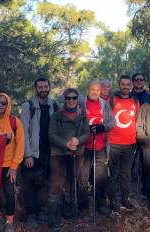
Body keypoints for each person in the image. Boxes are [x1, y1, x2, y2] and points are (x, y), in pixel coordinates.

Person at [47, 88, 90, 230]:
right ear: (64, 99)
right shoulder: (57, 116)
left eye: (74, 98)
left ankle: (69, 213)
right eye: (68, 98)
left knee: (71, 184)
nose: (71, 100)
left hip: (77, 154)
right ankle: (54, 220)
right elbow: (51, 135)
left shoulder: (83, 116)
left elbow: (87, 133)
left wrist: (78, 140)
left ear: (78, 99)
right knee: (56, 186)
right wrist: (66, 144)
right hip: (58, 155)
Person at [20, 77, 58, 227]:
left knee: (44, 184)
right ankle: (31, 215)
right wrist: (27, 154)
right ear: (36, 88)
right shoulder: (28, 106)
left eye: (45, 87)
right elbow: (23, 132)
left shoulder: (53, 105)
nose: (43, 89)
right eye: (40, 87)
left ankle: (41, 211)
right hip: (33, 153)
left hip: (49, 153)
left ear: (49, 87)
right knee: (30, 185)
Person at [0, 93, 25, 232]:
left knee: (10, 194)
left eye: (3, 103)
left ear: (8, 104)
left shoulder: (14, 121)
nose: (0, 105)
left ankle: (9, 222)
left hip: (9, 166)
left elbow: (20, 145)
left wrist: (14, 167)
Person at [82, 80, 116, 215]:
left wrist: (103, 127)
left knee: (100, 178)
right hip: (83, 147)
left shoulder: (104, 104)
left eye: (98, 90)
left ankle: (100, 204)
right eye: (92, 89)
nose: (95, 92)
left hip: (100, 146)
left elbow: (113, 122)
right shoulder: (80, 102)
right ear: (87, 89)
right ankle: (82, 206)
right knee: (82, 178)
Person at [107, 75, 140, 214]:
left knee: (126, 174)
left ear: (131, 86)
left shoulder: (135, 101)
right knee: (113, 174)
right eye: (123, 84)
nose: (125, 86)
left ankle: (125, 199)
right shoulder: (112, 100)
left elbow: (136, 119)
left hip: (130, 144)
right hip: (113, 143)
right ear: (119, 85)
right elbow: (107, 119)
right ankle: (113, 200)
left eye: (128, 84)